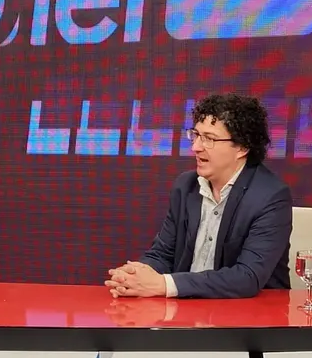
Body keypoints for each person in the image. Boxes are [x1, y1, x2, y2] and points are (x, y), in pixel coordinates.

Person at [106, 93, 292, 299]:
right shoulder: (186, 186)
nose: (195, 147)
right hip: (187, 308)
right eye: (195, 135)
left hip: (250, 313)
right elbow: (163, 254)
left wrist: (164, 284)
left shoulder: (270, 197)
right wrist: (135, 275)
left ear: (242, 147)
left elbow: (247, 277)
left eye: (209, 139)